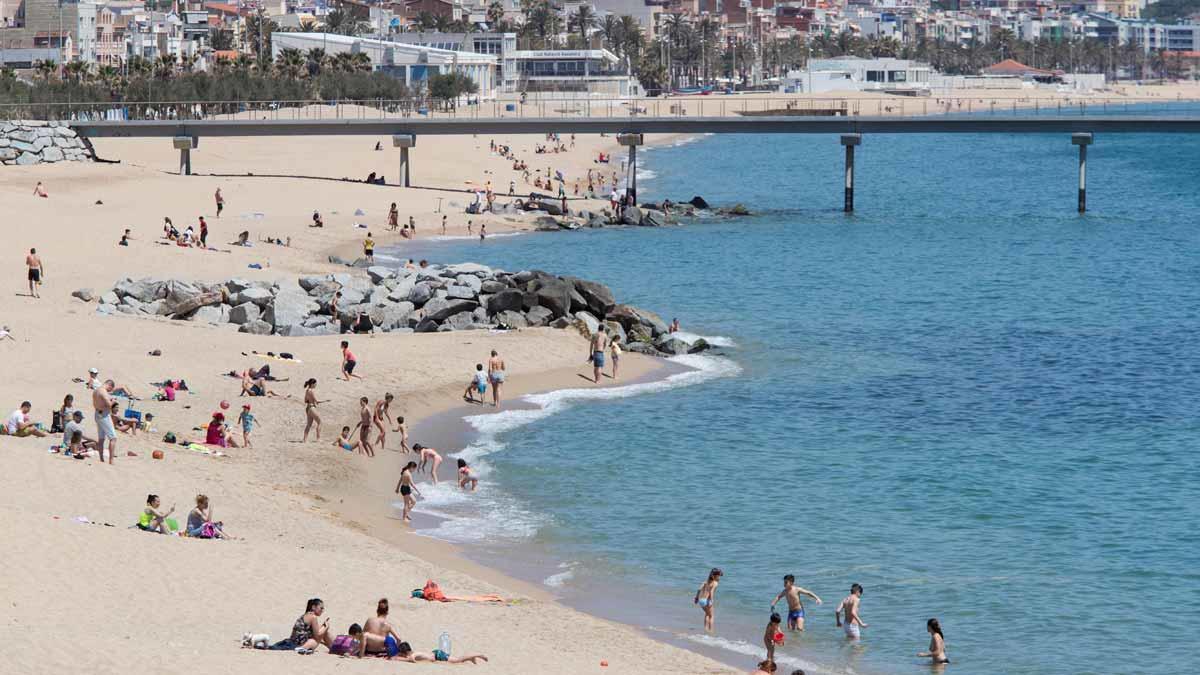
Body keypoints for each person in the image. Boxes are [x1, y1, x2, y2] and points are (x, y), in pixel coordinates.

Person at [390, 641, 489, 664]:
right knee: (459, 660)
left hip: (438, 656)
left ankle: (479, 654)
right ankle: (471, 658)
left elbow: (410, 660)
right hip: (436, 654)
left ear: (403, 652)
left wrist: (397, 658)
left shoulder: (413, 655)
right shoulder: (413, 652)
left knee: (458, 660)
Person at [92, 380, 117, 463]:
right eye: (110, 389)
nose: (109, 391)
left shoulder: (96, 390)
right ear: (110, 386)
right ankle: (111, 460)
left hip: (97, 413)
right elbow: (109, 405)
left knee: (101, 439)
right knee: (113, 438)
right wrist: (113, 400)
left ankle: (101, 459)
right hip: (104, 415)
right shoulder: (103, 391)